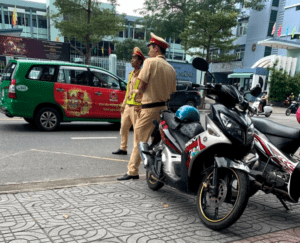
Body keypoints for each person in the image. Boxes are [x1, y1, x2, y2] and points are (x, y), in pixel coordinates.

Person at [117, 32, 177, 180]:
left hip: (149, 109)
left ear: (156, 48)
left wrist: (138, 98)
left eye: (150, 47)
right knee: (157, 141)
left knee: (139, 140)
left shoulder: (150, 62)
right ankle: (156, 171)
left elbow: (141, 85)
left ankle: (133, 171)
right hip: (164, 109)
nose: (149, 50)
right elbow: (172, 92)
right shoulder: (171, 68)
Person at [112, 47, 145, 155]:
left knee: (137, 131)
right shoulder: (131, 74)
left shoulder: (143, 75)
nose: (131, 60)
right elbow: (128, 91)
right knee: (123, 128)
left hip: (136, 108)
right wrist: (123, 104)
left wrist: (141, 105)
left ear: (139, 61)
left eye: (134, 58)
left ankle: (137, 151)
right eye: (131, 58)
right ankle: (123, 148)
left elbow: (144, 92)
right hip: (127, 107)